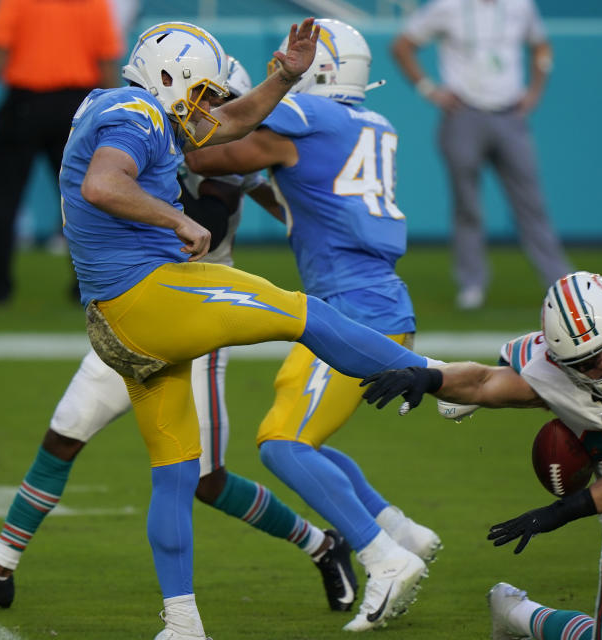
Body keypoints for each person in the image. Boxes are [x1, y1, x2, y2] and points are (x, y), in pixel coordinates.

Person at [0, 57, 359, 616]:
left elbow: (209, 215)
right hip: (131, 314)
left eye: (215, 102)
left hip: (192, 327)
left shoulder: (219, 160)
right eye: (201, 98)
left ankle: (321, 544)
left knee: (206, 480)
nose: (204, 111)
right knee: (64, 434)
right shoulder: (149, 128)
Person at [49, 19, 444, 639]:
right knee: (301, 312)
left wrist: (282, 77)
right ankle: (436, 381)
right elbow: (104, 183)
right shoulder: (135, 110)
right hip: (149, 299)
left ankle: (181, 624)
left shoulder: (135, 108)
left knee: (177, 475)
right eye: (202, 91)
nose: (210, 107)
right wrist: (173, 219)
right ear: (168, 76)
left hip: (116, 326)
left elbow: (227, 127)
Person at [185, 19, 441, 633]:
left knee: (283, 443)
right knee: (302, 434)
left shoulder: (308, 121)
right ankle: (398, 528)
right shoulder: (371, 122)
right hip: (366, 301)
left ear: (319, 68)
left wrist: (162, 131)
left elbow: (208, 150)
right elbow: (299, 191)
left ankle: (383, 558)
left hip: (352, 309)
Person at [360, 271, 602, 640]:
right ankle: (518, 614)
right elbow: (484, 381)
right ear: (562, 360)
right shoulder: (549, 370)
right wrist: (430, 379)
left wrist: (559, 512)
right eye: (586, 362)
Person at [390, 0, 571, 310]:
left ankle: (561, 284)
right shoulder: (447, 6)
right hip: (464, 113)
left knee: (531, 203)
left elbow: (541, 46)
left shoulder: (520, 6)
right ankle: (472, 284)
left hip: (509, 113)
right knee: (467, 205)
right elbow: (402, 46)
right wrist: (428, 89)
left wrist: (535, 91)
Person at [0, 0, 123, 304]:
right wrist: (113, 113)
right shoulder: (94, 5)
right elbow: (106, 62)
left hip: (25, 104)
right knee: (84, 202)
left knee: (6, 201)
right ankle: (88, 285)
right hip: (75, 107)